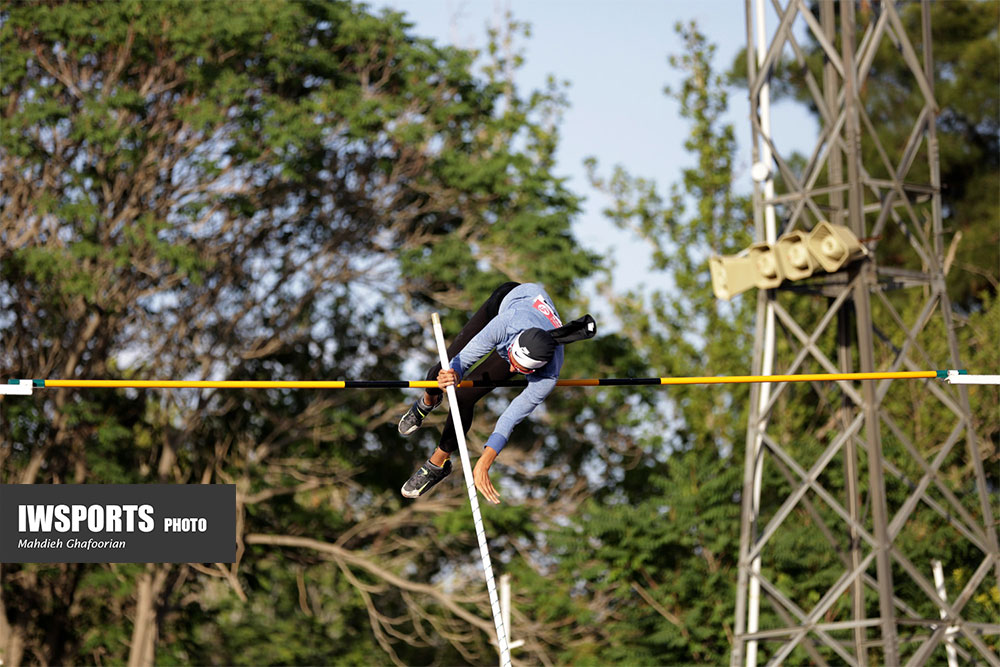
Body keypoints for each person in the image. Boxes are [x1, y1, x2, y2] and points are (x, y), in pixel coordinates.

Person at [398, 282, 596, 504]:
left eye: (521, 371)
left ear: (534, 368)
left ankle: (437, 464)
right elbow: (465, 359)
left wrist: (485, 461)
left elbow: (510, 417)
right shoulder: (506, 324)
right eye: (512, 362)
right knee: (437, 374)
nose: (512, 370)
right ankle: (426, 402)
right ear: (512, 347)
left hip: (529, 329)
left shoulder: (547, 376)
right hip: (506, 301)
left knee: (464, 397)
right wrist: (453, 374)